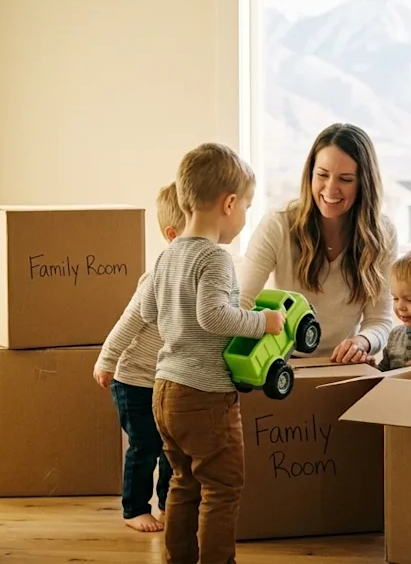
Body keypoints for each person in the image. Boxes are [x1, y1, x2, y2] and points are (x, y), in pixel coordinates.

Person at [139, 143, 284, 564]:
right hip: (204, 396)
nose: (244, 219)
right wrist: (263, 322)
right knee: (222, 487)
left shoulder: (167, 256)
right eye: (247, 208)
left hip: (164, 390)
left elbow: (150, 310)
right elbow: (213, 317)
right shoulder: (215, 258)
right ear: (229, 203)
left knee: (183, 482)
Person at [237, 123, 397, 364]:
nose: (331, 188)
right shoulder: (277, 225)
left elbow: (380, 321)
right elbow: (241, 303)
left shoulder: (382, 234)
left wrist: (362, 342)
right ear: (310, 174)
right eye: (322, 175)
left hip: (342, 365)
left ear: (363, 184)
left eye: (345, 179)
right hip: (282, 363)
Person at [92, 182, 185, 533]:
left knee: (171, 448)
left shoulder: (195, 279)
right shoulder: (158, 278)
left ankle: (166, 504)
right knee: (145, 446)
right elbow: (128, 321)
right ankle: (134, 508)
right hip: (133, 379)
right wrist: (107, 360)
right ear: (173, 235)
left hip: (164, 380)